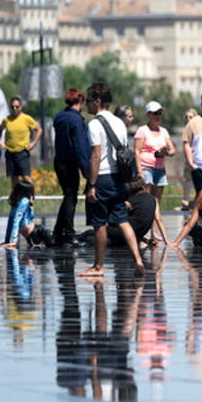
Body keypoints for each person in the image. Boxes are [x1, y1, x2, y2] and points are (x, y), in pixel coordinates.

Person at [80, 82, 145, 279]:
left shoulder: (94, 124)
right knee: (121, 220)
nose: (87, 106)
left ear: (97, 101)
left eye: (89, 101)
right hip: (119, 179)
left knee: (99, 223)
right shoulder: (119, 122)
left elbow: (96, 156)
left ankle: (98, 266)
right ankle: (138, 259)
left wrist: (91, 185)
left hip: (102, 178)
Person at [53, 88, 92, 243]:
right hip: (70, 163)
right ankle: (68, 233)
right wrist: (86, 171)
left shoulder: (60, 116)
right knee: (71, 197)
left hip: (59, 161)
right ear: (80, 101)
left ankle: (58, 231)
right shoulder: (76, 120)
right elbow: (80, 147)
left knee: (68, 195)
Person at [134, 101, 176, 204]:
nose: (158, 116)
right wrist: (139, 171)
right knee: (146, 197)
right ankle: (148, 219)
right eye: (155, 113)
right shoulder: (142, 130)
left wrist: (165, 153)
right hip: (146, 166)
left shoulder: (164, 131)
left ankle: (154, 219)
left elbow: (172, 150)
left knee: (157, 198)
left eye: (160, 113)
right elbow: (136, 151)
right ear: (148, 114)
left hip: (160, 168)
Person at [0, 96, 43, 186]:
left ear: (21, 107)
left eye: (17, 107)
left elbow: (39, 130)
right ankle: (16, 197)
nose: (15, 109)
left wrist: (33, 143)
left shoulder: (27, 119)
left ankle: (30, 197)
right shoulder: (6, 120)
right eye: (12, 107)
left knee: (26, 177)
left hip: (22, 152)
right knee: (14, 178)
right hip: (10, 152)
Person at [0, 181, 37, 249]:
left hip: (32, 234)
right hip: (34, 233)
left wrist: (7, 240)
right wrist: (14, 241)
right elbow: (16, 221)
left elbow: (11, 222)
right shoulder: (25, 201)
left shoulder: (17, 203)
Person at [179, 107, 198, 211]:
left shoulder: (199, 128)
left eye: (190, 117)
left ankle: (196, 201)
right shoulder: (186, 129)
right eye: (186, 117)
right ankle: (185, 201)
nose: (188, 119)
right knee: (187, 179)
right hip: (189, 157)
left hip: (198, 157)